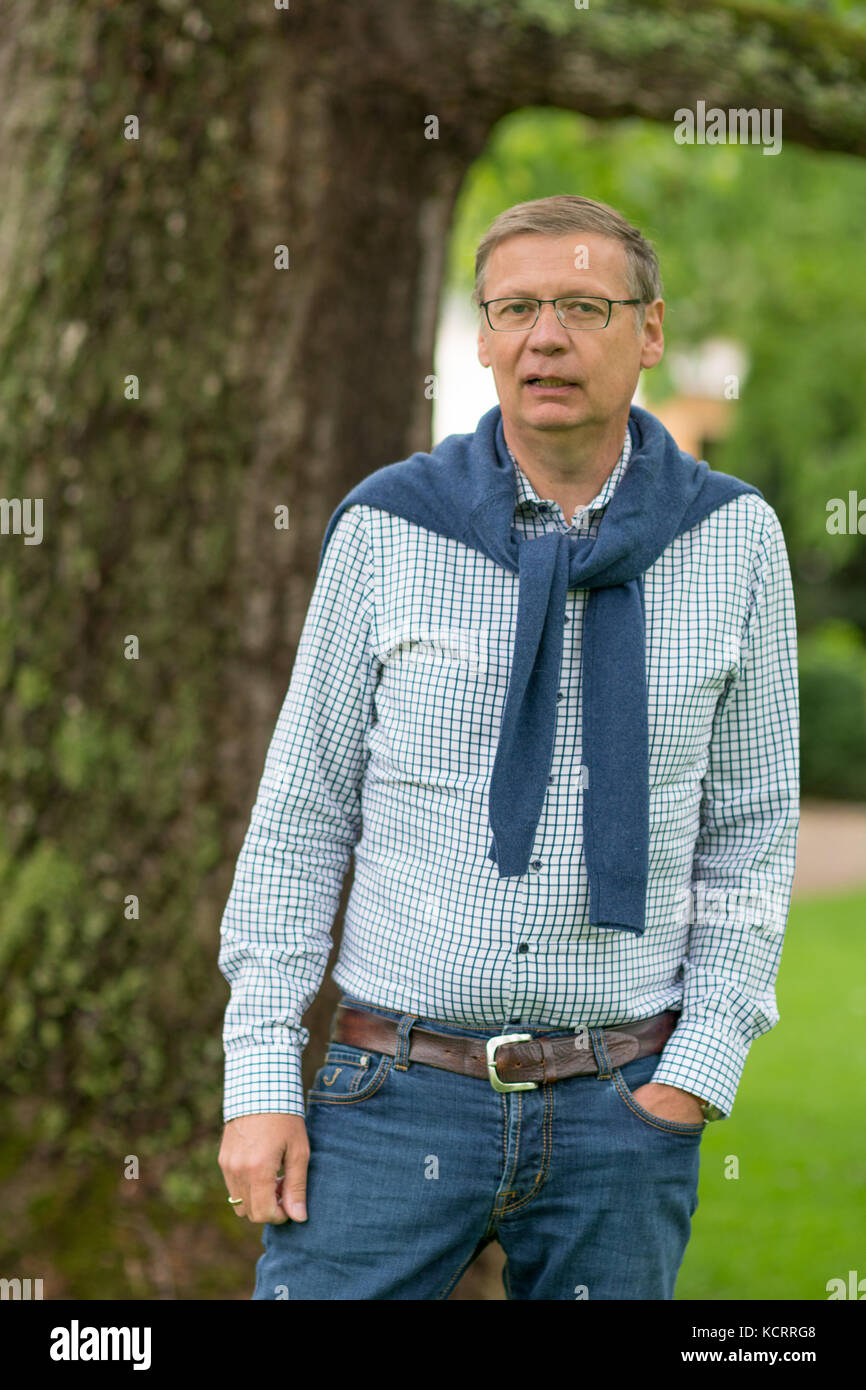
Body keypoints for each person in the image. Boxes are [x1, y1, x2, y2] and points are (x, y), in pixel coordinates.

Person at [217, 194, 799, 1300]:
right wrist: (258, 1078)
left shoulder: (733, 540)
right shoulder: (389, 527)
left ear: (651, 331)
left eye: (584, 305)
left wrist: (695, 1071)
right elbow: (301, 814)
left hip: (618, 1107)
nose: (546, 336)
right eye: (517, 307)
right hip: (388, 1093)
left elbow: (752, 831)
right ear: (482, 339)